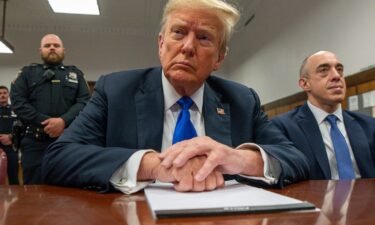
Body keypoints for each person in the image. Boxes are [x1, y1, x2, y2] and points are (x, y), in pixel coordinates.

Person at [42, 0, 309, 193]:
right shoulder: (115, 90)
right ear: (161, 44)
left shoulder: (242, 100)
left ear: (219, 57)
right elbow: (58, 159)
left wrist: (238, 159)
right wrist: (153, 166)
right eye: (179, 32)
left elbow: (295, 158)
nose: (188, 46)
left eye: (204, 38)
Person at [272, 51, 375, 180]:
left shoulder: (369, 125)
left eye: (339, 70)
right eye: (324, 70)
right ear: (305, 84)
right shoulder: (283, 127)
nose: (336, 76)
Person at [10, 34, 91, 184]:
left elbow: (84, 102)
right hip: (34, 143)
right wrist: (46, 123)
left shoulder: (76, 74)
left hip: (68, 142)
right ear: (40, 51)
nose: (52, 47)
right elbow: (18, 102)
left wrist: (62, 121)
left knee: (69, 190)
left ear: (63, 50)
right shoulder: (27, 73)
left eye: (56, 45)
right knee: (34, 190)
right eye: (47, 46)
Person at [0, 85, 19, 184]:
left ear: (8, 95)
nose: (2, 95)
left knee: (13, 176)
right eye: (0, 93)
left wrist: (11, 137)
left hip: (10, 146)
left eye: (4, 93)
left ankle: (16, 199)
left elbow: (21, 128)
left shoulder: (16, 110)